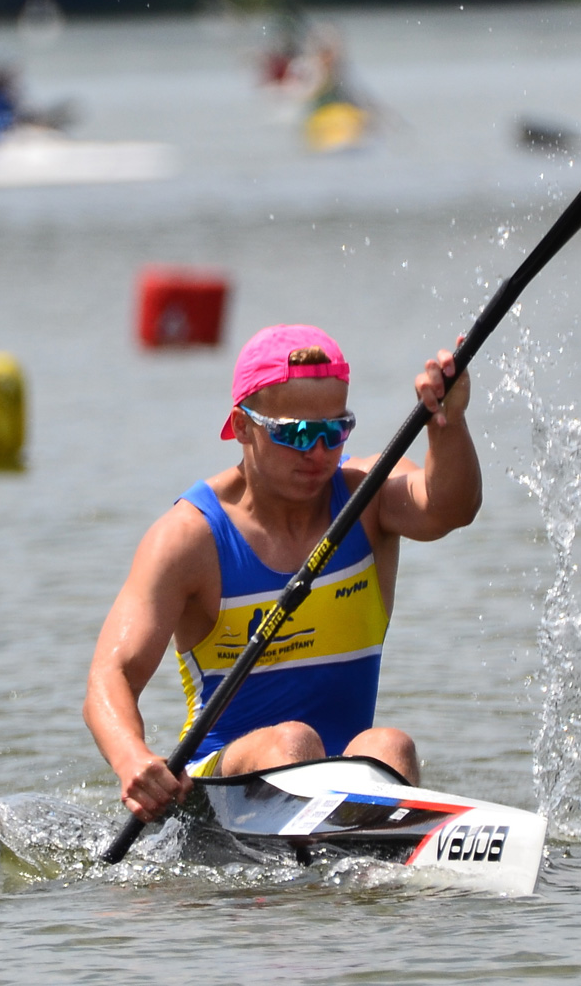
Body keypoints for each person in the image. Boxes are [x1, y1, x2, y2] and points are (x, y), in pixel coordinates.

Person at [83, 324, 481, 823]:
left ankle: (364, 866)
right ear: (243, 426)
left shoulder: (367, 497)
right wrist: (132, 759)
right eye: (295, 434)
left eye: (334, 431)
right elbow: (110, 675)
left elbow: (451, 507)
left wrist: (449, 423)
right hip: (223, 785)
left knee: (391, 745)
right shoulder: (189, 538)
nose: (318, 452)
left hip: (344, 771)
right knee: (293, 741)